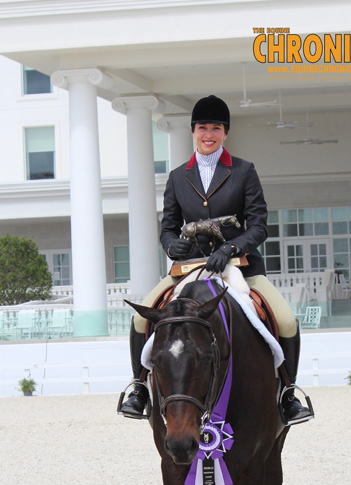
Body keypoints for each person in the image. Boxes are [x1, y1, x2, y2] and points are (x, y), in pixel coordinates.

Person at [119, 95, 312, 425]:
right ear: (194, 131)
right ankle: (139, 388)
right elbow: (167, 228)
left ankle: (288, 392)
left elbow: (259, 226)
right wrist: (171, 246)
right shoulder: (178, 177)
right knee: (140, 320)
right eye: (203, 127)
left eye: (216, 128)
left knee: (287, 320)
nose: (209, 134)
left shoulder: (243, 171)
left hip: (239, 267)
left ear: (225, 133)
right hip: (190, 268)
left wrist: (231, 249)